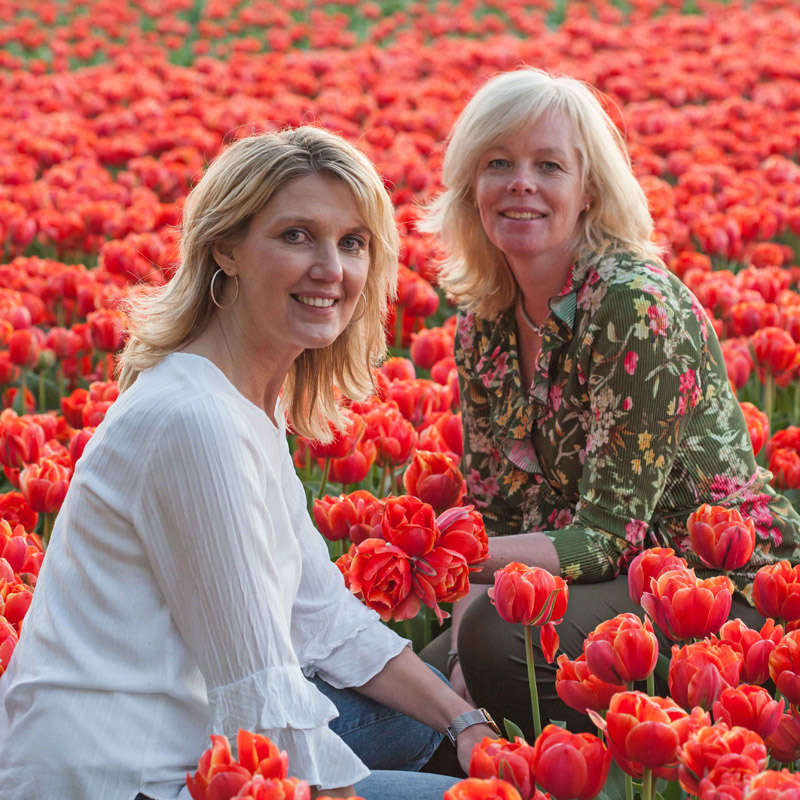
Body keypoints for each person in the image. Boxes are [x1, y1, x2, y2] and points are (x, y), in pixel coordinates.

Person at [0, 127, 498, 799]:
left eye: (351, 243)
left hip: (189, 734)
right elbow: (256, 687)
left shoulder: (242, 406)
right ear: (225, 249)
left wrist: (465, 722)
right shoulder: (194, 422)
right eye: (296, 235)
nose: (331, 268)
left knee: (421, 731)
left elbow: (320, 618)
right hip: (123, 774)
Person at [418, 68, 800, 736]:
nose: (521, 184)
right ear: (470, 185)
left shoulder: (632, 306)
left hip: (713, 582)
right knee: (418, 689)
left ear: (588, 188)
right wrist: (453, 641)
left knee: (494, 642)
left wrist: (437, 557)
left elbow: (605, 539)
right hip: (585, 584)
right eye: (498, 163)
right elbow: (491, 511)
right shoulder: (485, 323)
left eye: (548, 165)